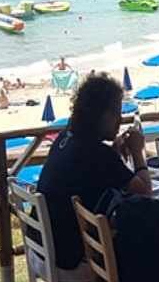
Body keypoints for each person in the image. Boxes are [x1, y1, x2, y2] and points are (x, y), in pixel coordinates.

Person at [36, 74, 151, 271]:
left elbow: (92, 173)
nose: (120, 120)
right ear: (102, 115)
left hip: (43, 246)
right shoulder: (97, 153)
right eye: (116, 114)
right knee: (149, 234)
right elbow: (146, 192)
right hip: (70, 257)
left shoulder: (67, 137)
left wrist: (114, 153)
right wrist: (137, 153)